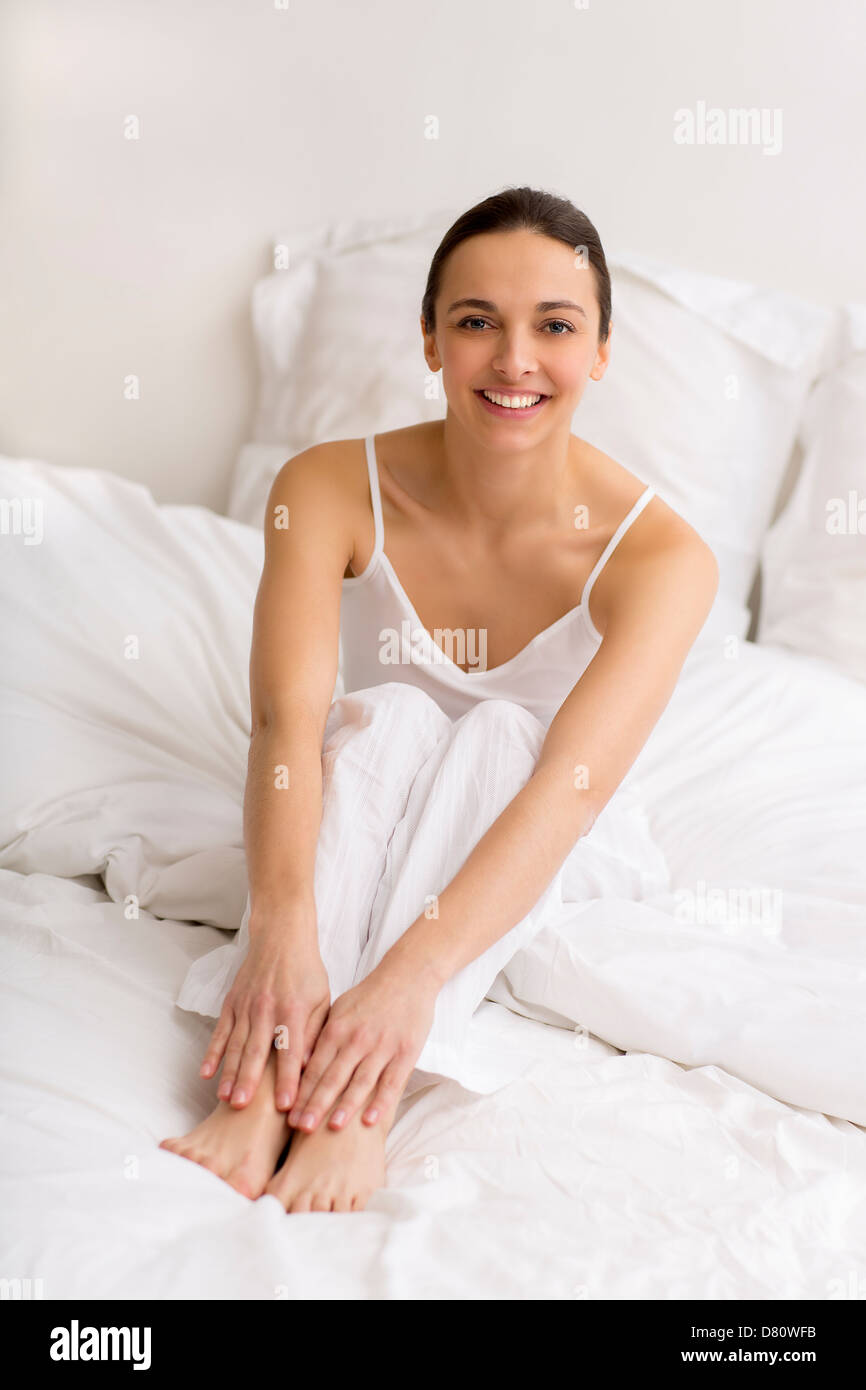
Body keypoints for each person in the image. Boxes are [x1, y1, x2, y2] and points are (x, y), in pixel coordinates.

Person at [160, 186, 718, 1213]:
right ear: (429, 340)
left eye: (553, 326)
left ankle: (346, 1104)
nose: (513, 359)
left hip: (542, 837)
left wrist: (405, 981)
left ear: (598, 350)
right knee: (396, 718)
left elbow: (568, 791)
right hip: (356, 794)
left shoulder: (662, 555)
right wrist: (282, 929)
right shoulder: (324, 485)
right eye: (475, 323)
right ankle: (267, 1071)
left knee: (502, 728)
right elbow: (287, 722)